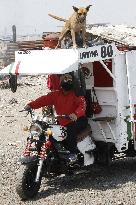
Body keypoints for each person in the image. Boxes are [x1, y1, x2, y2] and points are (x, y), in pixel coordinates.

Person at [25, 73, 95, 165]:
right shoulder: (56, 94)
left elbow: (82, 106)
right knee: (45, 132)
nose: (67, 82)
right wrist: (30, 105)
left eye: (69, 80)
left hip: (78, 120)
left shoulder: (76, 94)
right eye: (65, 79)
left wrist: (75, 114)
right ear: (61, 82)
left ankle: (72, 153)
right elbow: (44, 100)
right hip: (62, 121)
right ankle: (50, 153)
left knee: (70, 129)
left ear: (73, 82)